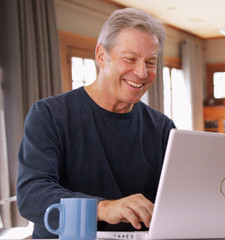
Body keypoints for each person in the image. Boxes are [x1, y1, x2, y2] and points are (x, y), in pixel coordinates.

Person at [16, 8, 176, 239]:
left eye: (150, 62)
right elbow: (32, 195)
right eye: (130, 59)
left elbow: (175, 199)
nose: (142, 73)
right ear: (101, 56)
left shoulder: (162, 128)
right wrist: (103, 208)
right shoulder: (50, 115)